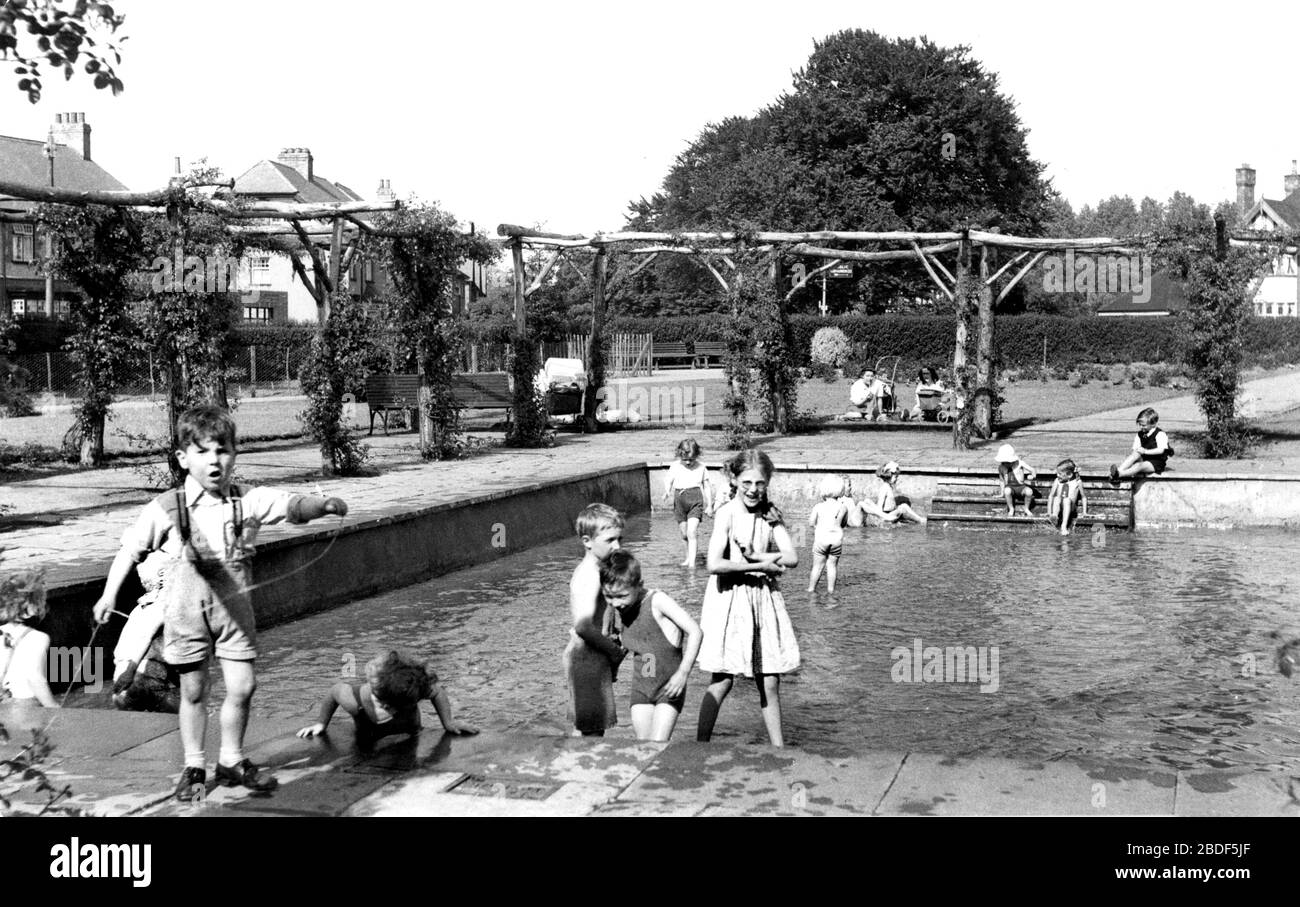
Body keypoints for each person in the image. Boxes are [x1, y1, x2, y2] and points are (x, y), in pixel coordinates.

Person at [91, 405, 349, 802]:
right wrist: (109, 594)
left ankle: (231, 759)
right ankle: (194, 766)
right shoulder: (167, 507)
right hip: (185, 611)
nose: (214, 460)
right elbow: (130, 549)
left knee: (244, 685)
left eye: (222, 450)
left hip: (235, 611)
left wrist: (324, 505)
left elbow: (291, 505)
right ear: (183, 458)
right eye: (203, 451)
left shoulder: (247, 500)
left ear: (234, 454)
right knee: (194, 691)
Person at [696, 449, 800, 747]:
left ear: (768, 482)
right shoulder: (727, 513)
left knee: (769, 678)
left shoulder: (770, 513)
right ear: (735, 479)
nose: (753, 490)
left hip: (763, 600)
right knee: (723, 678)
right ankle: (700, 745)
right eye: (747, 483)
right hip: (730, 598)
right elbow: (713, 564)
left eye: (760, 483)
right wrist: (758, 565)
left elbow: (792, 557)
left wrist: (759, 555)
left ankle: (779, 749)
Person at [601, 551, 702, 742]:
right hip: (641, 687)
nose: (616, 603)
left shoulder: (657, 601)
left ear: (639, 586)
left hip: (669, 687)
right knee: (643, 747)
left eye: (621, 596)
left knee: (657, 745)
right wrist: (612, 669)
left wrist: (683, 673)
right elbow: (628, 646)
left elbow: (695, 631)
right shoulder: (620, 610)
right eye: (608, 596)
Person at [296, 650, 477, 744]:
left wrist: (448, 722)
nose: (392, 711)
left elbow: (437, 691)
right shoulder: (354, 701)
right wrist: (321, 723)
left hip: (411, 733)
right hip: (368, 739)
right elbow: (334, 690)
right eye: (386, 706)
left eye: (399, 708)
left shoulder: (412, 690)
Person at [565, 503, 628, 737]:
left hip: (591, 656)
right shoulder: (589, 574)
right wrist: (614, 651)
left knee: (587, 725)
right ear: (587, 541)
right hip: (587, 657)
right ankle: (582, 769)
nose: (617, 546)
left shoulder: (598, 569)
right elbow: (582, 626)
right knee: (592, 730)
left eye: (620, 539)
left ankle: (574, 766)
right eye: (610, 540)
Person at [0, 566, 58, 707]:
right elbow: (35, 678)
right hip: (23, 706)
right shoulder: (37, 638)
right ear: (33, 604)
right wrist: (53, 707)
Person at [663, 438, 714, 566]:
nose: (688, 462)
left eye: (691, 459)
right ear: (680, 454)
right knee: (684, 534)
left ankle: (692, 563)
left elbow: (707, 486)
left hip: (695, 499)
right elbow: (668, 480)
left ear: (696, 455)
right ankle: (688, 558)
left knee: (692, 531)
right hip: (679, 500)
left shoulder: (701, 467)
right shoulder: (675, 466)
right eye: (685, 459)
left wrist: (709, 505)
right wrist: (667, 491)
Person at [808, 475, 850, 592]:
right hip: (836, 540)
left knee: (817, 566)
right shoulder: (843, 507)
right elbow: (844, 523)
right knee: (832, 566)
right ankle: (831, 590)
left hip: (821, 539)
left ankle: (811, 589)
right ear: (840, 490)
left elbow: (811, 523)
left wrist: (818, 527)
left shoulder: (818, 506)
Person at [1110, 407, 1172, 483]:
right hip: (1144, 458)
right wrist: (1134, 456)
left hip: (1156, 462)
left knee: (1139, 466)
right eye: (1139, 425)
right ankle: (1118, 470)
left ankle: (1119, 474)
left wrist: (1145, 451)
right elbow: (1135, 449)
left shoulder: (1160, 434)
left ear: (1153, 424)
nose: (1141, 427)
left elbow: (1161, 450)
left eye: (1144, 425)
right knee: (1135, 454)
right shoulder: (1140, 434)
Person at [996, 444, 1037, 517]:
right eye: (1004, 462)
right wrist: (1002, 493)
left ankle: (1026, 508)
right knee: (1007, 491)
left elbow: (1032, 470)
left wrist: (1033, 476)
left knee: (1029, 492)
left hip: (1021, 487)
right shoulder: (1001, 467)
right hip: (1010, 488)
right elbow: (1002, 480)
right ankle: (1011, 508)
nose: (1006, 464)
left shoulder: (1020, 463)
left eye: (1007, 462)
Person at [1047, 458, 1086, 535]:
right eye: (1057, 473)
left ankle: (1063, 526)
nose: (1057, 475)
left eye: (1060, 474)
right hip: (1059, 507)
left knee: (1066, 500)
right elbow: (1051, 496)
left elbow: (1083, 497)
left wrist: (1084, 512)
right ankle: (1055, 516)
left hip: (1071, 507)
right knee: (1057, 498)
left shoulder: (1077, 482)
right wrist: (1049, 512)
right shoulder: (1057, 481)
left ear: (1069, 474)